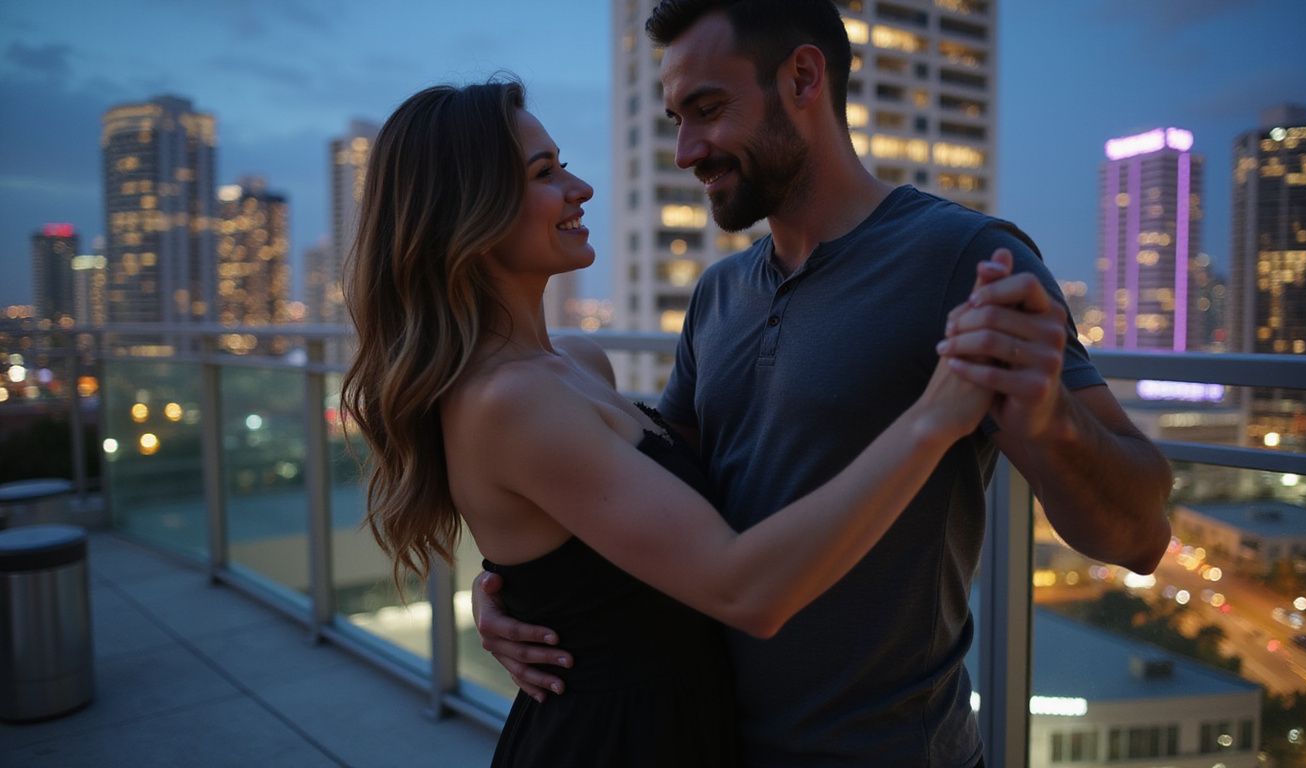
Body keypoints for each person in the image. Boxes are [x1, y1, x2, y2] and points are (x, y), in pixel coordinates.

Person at [473, 1, 1175, 765]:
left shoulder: (964, 259)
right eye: (677, 117)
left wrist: (1051, 421)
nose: (685, 150)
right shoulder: (718, 295)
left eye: (707, 110)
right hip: (706, 745)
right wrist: (524, 582)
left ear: (803, 78)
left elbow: (1137, 538)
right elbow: (653, 491)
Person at [341, 79, 1007, 768]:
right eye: (545, 173)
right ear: (468, 215)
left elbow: (591, 540)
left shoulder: (577, 362)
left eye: (561, 163)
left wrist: (513, 589)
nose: (580, 188)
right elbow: (741, 588)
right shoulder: (505, 401)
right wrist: (935, 417)